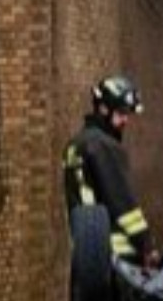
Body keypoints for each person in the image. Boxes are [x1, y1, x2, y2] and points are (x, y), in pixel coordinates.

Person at [62, 74, 157, 268]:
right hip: (117, 259)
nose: (126, 120)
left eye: (128, 114)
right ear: (104, 109)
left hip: (86, 258)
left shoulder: (74, 146)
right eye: (121, 113)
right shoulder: (103, 146)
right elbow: (122, 201)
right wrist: (146, 244)